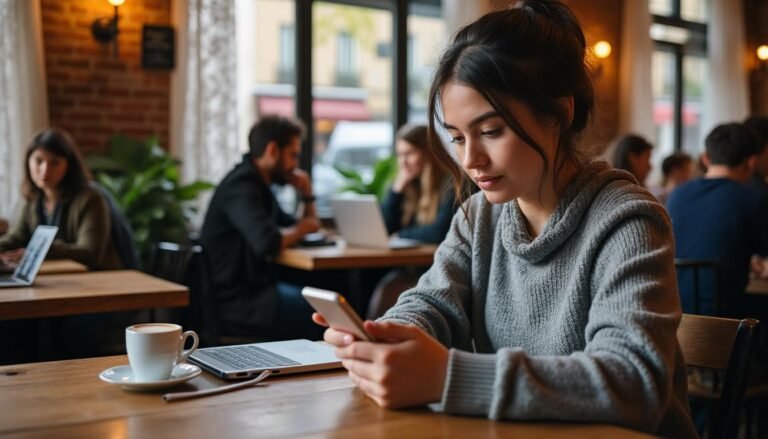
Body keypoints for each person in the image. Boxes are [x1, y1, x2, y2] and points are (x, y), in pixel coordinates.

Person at [312, 2, 696, 437]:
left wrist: (448, 377)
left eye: (491, 131)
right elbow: (432, 303)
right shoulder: (480, 216)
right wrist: (389, 338)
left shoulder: (627, 221)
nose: (471, 159)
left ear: (559, 112)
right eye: (457, 137)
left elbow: (633, 382)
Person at [200, 115, 322, 340]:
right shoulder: (242, 185)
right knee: (320, 312)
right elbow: (268, 241)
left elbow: (296, 226)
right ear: (273, 150)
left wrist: (307, 195)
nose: (296, 165)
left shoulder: (259, 184)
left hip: (256, 291)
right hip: (240, 302)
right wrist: (302, 228)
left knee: (323, 294)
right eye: (293, 155)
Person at [667, 123, 768, 317]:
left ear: (706, 158)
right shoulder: (753, 198)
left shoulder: (678, 194)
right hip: (726, 319)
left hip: (674, 312)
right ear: (751, 162)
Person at [0, 128, 121, 270]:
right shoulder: (33, 201)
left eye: (55, 163)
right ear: (28, 162)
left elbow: (90, 253)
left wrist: (38, 251)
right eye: (38, 161)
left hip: (96, 279)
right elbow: (16, 237)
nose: (45, 170)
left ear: (69, 166)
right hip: (57, 278)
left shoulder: (91, 199)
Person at [381, 124, 455, 243]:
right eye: (400, 155)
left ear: (429, 153)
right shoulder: (409, 185)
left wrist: (400, 235)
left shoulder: (452, 184)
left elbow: (440, 232)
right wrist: (396, 192)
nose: (403, 162)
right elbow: (384, 229)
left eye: (409, 153)